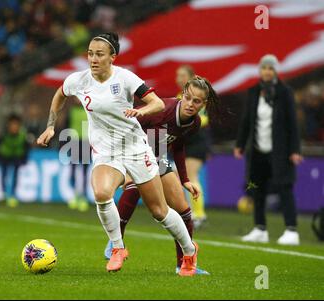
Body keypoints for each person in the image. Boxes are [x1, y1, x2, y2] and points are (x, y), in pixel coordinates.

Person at [37, 32, 198, 276]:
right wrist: (50, 124)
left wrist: (140, 112)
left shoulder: (125, 78)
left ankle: (189, 251)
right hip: (105, 151)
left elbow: (156, 103)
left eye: (99, 54)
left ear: (113, 57)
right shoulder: (78, 80)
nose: (93, 59)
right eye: (90, 53)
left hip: (135, 148)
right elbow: (60, 94)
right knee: (101, 193)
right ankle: (118, 248)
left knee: (159, 211)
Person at [105, 76, 221, 275]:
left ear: (204, 104)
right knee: (135, 187)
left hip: (156, 154)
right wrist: (126, 166)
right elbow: (125, 125)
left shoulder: (195, 123)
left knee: (184, 210)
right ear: (182, 95)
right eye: (188, 98)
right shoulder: (162, 111)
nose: (191, 104)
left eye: (197, 101)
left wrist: (185, 179)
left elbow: (178, 145)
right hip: (132, 149)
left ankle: (184, 264)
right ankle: (115, 243)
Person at [234, 54, 303, 245]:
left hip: (280, 151)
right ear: (259, 70)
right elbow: (246, 121)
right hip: (257, 150)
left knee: (284, 188)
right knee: (257, 189)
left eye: (270, 68)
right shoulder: (254, 91)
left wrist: (295, 149)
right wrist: (240, 144)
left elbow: (293, 124)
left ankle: (291, 230)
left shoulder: (285, 92)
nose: (267, 71)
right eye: (264, 67)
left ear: (276, 71)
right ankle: (260, 228)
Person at [176, 65, 211, 229]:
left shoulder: (199, 98)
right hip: (185, 144)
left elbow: (204, 120)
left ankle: (198, 214)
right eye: (178, 75)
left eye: (183, 75)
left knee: (191, 177)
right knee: (182, 177)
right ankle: (192, 212)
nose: (179, 78)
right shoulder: (179, 97)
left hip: (197, 142)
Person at [0, 114, 30, 208]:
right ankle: (4, 194)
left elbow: (26, 148)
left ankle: (13, 195)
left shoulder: (22, 135)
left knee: (15, 176)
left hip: (16, 157)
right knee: (4, 175)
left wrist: (24, 159)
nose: (14, 127)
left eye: (16, 125)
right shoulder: (4, 134)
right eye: (12, 124)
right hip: (5, 156)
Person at [64, 103, 90, 212]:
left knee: (84, 172)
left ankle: (83, 197)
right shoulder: (71, 111)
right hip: (74, 142)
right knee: (73, 170)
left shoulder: (89, 110)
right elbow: (66, 127)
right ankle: (74, 194)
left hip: (85, 142)